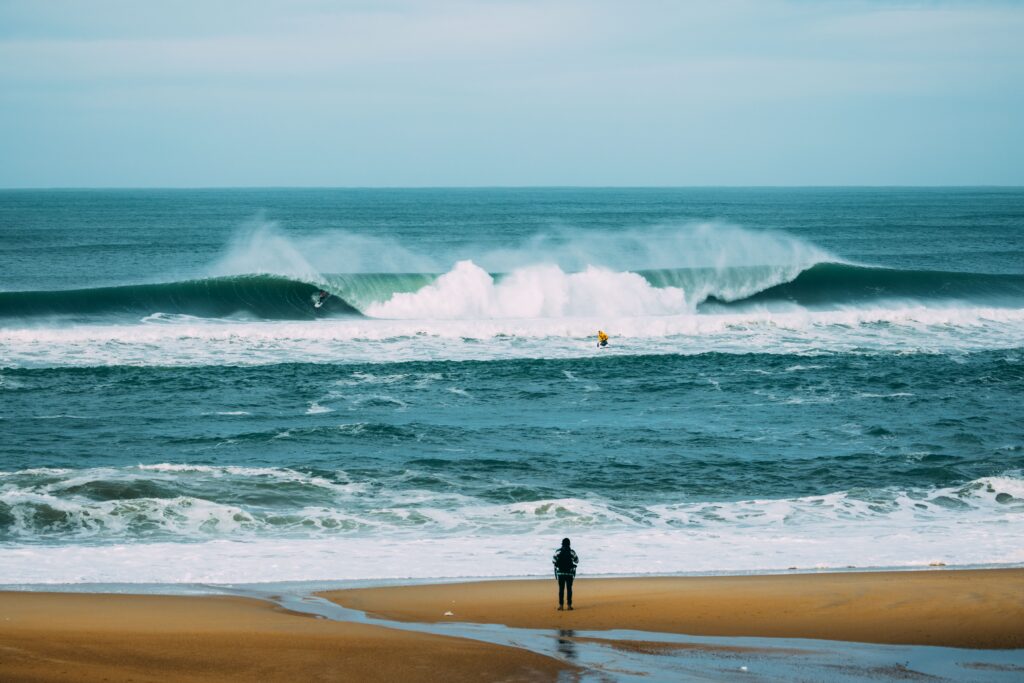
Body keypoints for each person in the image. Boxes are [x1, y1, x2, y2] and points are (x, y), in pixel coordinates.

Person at [552, 537, 579, 610]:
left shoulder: (558, 551)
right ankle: (569, 605)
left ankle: (561, 606)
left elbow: (554, 561)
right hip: (569, 573)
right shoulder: (572, 552)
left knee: (561, 589)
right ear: (569, 544)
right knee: (569, 589)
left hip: (560, 573)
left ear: (562, 544)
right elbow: (577, 561)